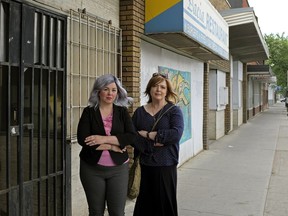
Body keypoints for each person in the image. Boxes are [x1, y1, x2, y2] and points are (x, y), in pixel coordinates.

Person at [77, 74, 137, 216]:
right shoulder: (89, 112)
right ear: (98, 91)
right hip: (91, 169)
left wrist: (102, 140)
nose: (110, 93)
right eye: (106, 89)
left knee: (117, 212)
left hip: (118, 169)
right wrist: (115, 144)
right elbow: (83, 140)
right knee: (96, 212)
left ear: (118, 92)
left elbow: (131, 136)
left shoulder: (122, 112)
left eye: (114, 90)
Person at [132, 73, 184, 216]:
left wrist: (149, 135)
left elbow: (176, 134)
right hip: (145, 164)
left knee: (165, 205)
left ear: (167, 91)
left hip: (166, 165)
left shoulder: (174, 111)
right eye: (155, 86)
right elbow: (132, 135)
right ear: (149, 89)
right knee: (145, 205)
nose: (158, 90)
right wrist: (152, 144)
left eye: (162, 87)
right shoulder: (140, 112)